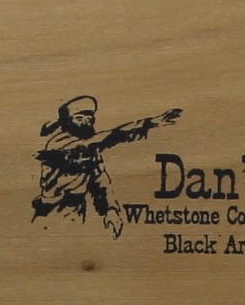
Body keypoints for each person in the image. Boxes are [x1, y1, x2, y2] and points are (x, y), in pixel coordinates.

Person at [32, 96, 181, 238]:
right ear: (67, 122)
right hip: (52, 212)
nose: (86, 123)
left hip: (75, 210)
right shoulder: (60, 143)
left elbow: (100, 180)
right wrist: (148, 124)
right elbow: (108, 137)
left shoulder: (90, 150)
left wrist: (111, 209)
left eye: (89, 119)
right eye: (79, 118)